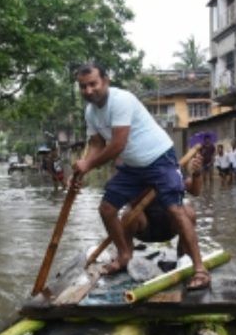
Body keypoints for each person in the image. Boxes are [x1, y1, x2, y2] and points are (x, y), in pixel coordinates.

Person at [71, 63, 210, 289]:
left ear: (105, 81)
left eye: (93, 84)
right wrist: (83, 167)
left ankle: (199, 269)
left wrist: (87, 164)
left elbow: (117, 144)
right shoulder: (90, 112)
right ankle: (125, 255)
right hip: (134, 165)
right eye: (83, 86)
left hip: (159, 158)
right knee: (107, 209)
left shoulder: (121, 100)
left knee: (177, 209)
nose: (88, 91)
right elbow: (97, 144)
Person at [121, 151, 205, 262]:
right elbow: (130, 201)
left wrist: (197, 174)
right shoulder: (137, 170)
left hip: (170, 226)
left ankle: (183, 253)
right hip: (145, 228)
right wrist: (154, 185)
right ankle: (125, 255)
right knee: (128, 215)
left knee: (189, 212)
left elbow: (195, 191)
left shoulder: (172, 170)